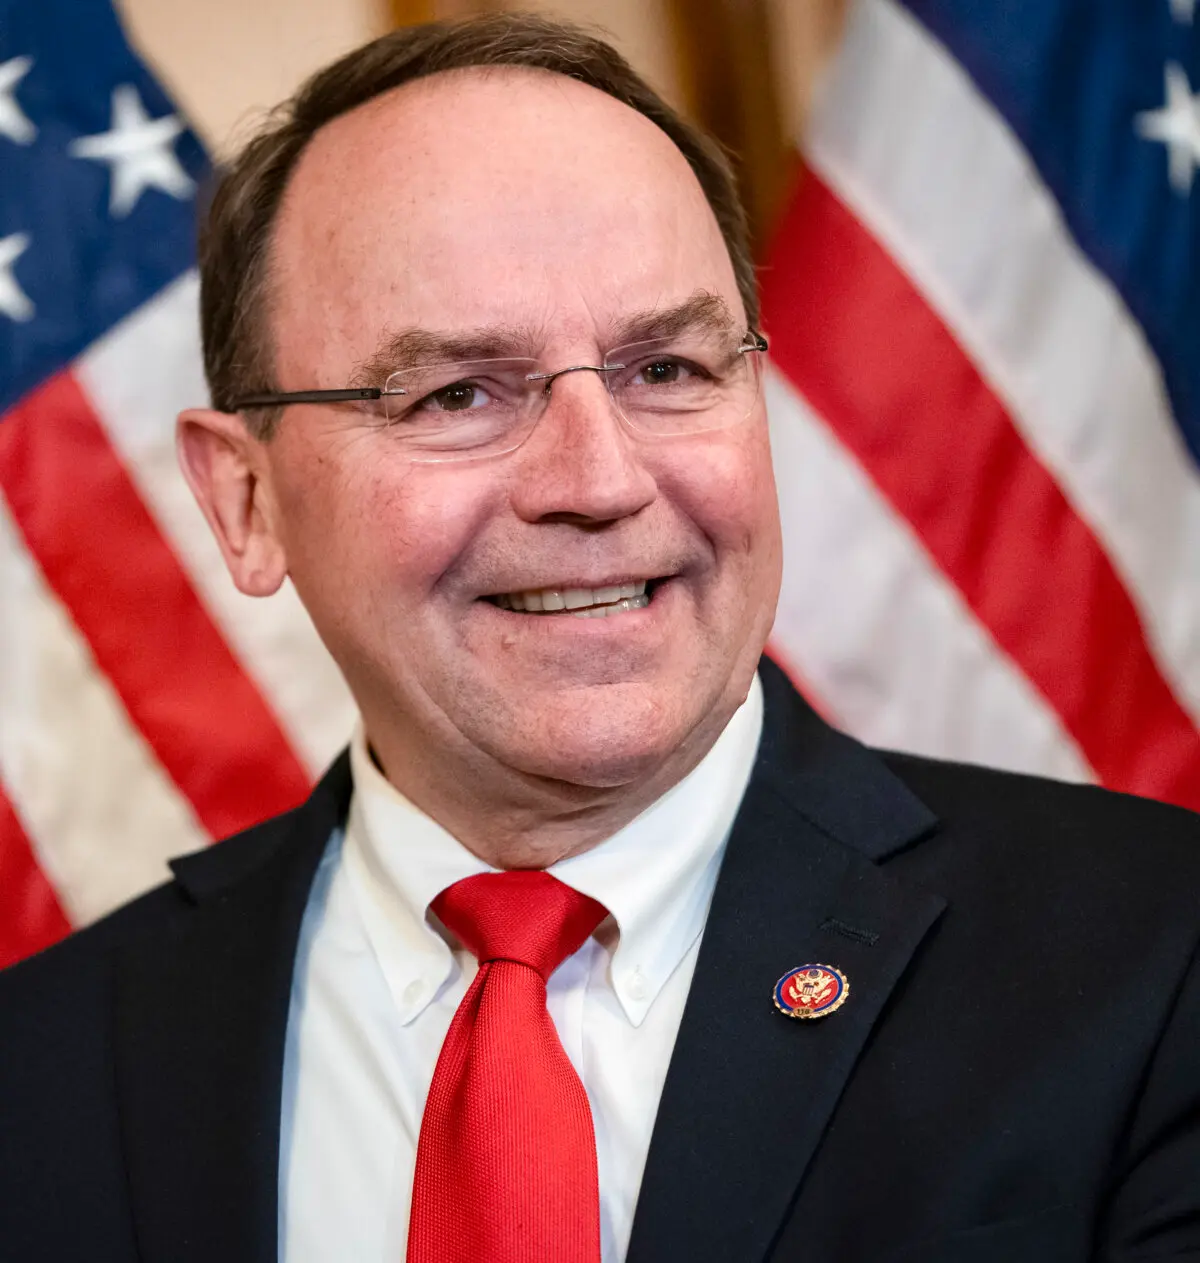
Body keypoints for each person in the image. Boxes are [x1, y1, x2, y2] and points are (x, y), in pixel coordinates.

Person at [2, 13, 1200, 1262]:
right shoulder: (45, 1075)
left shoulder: (1156, 963)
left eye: (669, 369)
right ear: (245, 502)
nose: (599, 478)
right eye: (458, 393)